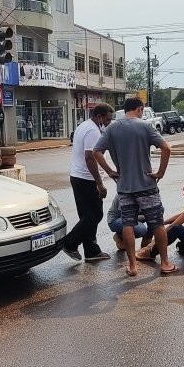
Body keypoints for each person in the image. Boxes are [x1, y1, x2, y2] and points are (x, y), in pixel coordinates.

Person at [93, 97, 176, 276]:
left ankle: (132, 266)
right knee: (157, 224)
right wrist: (160, 173)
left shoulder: (111, 128)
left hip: (124, 187)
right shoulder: (145, 126)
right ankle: (165, 263)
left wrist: (109, 171)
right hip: (146, 185)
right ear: (140, 109)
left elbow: (96, 151)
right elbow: (166, 148)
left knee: (128, 225)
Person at [62, 103, 115, 263]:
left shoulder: (85, 125)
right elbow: (90, 157)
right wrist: (99, 182)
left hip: (78, 177)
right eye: (107, 119)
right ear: (99, 116)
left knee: (87, 216)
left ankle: (91, 250)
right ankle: (69, 243)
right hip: (86, 179)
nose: (108, 122)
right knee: (95, 215)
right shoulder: (92, 130)